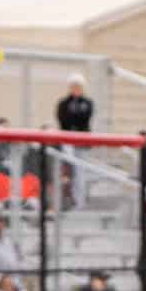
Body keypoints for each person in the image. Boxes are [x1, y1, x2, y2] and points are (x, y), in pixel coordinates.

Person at [56, 73, 93, 211]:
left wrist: (75, 113)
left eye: (78, 86)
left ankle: (80, 202)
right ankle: (66, 200)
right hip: (67, 141)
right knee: (68, 172)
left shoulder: (87, 103)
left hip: (82, 143)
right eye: (73, 86)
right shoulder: (64, 103)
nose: (76, 89)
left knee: (80, 173)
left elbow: (84, 119)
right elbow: (63, 119)